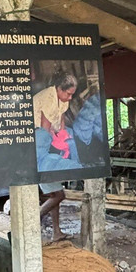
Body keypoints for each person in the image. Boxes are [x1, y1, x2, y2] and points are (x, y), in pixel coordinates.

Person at [33, 73, 78, 240]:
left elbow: (61, 124)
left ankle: (57, 232)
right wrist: (59, 145)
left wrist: (64, 138)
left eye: (72, 94)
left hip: (47, 146)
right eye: (68, 93)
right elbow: (46, 130)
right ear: (59, 89)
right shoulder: (48, 98)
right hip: (39, 147)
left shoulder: (61, 100)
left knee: (55, 193)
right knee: (59, 195)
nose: (70, 97)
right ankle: (35, 218)